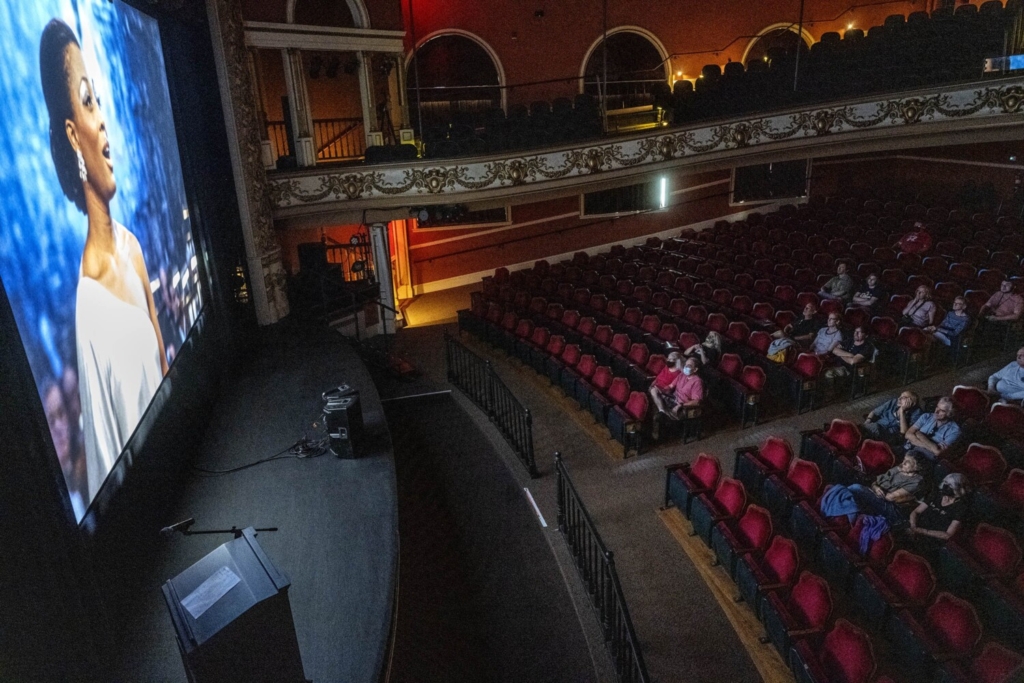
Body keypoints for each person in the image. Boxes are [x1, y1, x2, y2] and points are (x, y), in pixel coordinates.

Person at [41, 19, 168, 502]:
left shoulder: (132, 247)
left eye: (98, 100)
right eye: (88, 101)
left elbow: (164, 372)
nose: (103, 122)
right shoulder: (90, 308)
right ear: (73, 135)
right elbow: (109, 459)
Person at [848, 453, 926, 524]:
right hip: (877, 495)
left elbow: (890, 498)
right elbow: (875, 482)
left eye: (908, 462)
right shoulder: (898, 468)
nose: (903, 463)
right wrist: (875, 488)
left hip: (891, 507)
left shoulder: (916, 482)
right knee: (852, 498)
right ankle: (848, 520)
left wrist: (873, 489)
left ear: (916, 467)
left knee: (856, 488)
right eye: (904, 459)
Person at [908, 473, 970, 550]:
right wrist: (913, 525)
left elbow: (948, 535)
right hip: (917, 528)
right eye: (945, 483)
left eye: (950, 485)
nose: (945, 486)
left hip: (933, 539)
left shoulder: (961, 507)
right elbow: (916, 511)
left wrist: (922, 531)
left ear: (958, 489)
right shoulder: (936, 495)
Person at [904, 397, 961, 462]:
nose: (936, 411)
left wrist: (919, 435)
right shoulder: (926, 416)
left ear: (950, 414)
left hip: (925, 457)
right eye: (937, 407)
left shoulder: (955, 430)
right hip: (908, 447)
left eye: (942, 411)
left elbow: (938, 452)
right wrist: (932, 447)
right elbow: (907, 434)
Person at [648, 350, 684, 415]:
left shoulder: (679, 373)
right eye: (668, 358)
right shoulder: (667, 367)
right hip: (657, 386)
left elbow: (672, 387)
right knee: (651, 389)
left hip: (665, 390)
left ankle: (662, 411)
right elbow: (658, 377)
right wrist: (653, 383)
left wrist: (662, 390)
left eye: (670, 359)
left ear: (676, 361)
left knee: (653, 391)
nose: (668, 360)